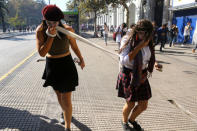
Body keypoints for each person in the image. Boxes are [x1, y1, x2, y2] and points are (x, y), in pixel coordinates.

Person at [36, 5, 85, 131]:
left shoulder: (67, 30)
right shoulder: (40, 31)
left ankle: (67, 127)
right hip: (52, 65)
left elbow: (74, 45)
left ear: (60, 20)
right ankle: (64, 113)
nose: (53, 24)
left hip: (66, 64)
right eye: (49, 22)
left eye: (56, 21)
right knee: (59, 95)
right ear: (45, 20)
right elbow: (42, 53)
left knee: (66, 98)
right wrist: (51, 36)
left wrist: (81, 59)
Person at [116, 19, 156, 131]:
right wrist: (139, 46)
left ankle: (132, 120)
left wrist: (155, 63)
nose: (144, 35)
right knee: (130, 104)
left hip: (142, 75)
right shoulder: (127, 40)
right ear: (137, 31)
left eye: (147, 33)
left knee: (144, 105)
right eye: (141, 32)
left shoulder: (149, 41)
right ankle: (124, 121)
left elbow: (147, 56)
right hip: (129, 74)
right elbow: (124, 61)